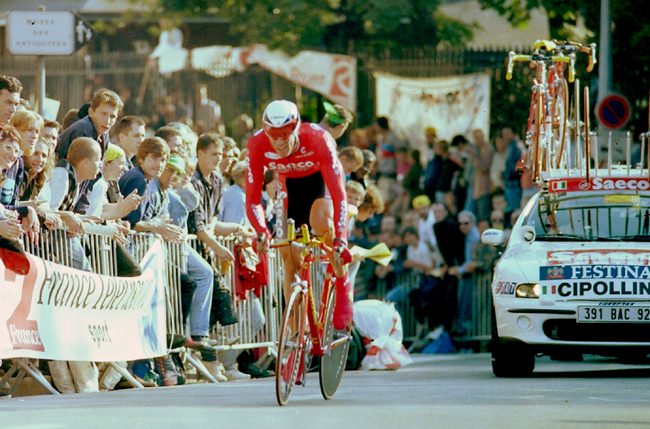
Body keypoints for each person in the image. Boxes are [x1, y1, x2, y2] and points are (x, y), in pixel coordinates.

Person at [246, 100, 353, 330]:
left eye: (285, 133)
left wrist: (341, 239)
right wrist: (261, 231)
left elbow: (339, 195)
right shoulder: (256, 144)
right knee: (288, 254)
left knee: (321, 222)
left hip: (319, 180)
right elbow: (253, 198)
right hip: (289, 184)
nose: (279, 140)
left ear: (296, 128)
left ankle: (343, 282)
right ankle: (296, 337)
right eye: (273, 134)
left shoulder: (318, 138)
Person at [56, 89, 123, 215]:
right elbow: (81, 171)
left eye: (113, 116)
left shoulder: (104, 135)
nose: (108, 121)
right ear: (91, 112)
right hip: (59, 184)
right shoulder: (83, 130)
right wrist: (80, 212)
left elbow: (92, 176)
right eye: (103, 114)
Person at [448, 210, 480, 336]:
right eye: (460, 224)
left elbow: (472, 262)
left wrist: (459, 270)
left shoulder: (474, 236)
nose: (462, 226)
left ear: (473, 223)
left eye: (466, 223)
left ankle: (469, 339)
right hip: (467, 274)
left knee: (468, 307)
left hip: (472, 277)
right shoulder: (467, 236)